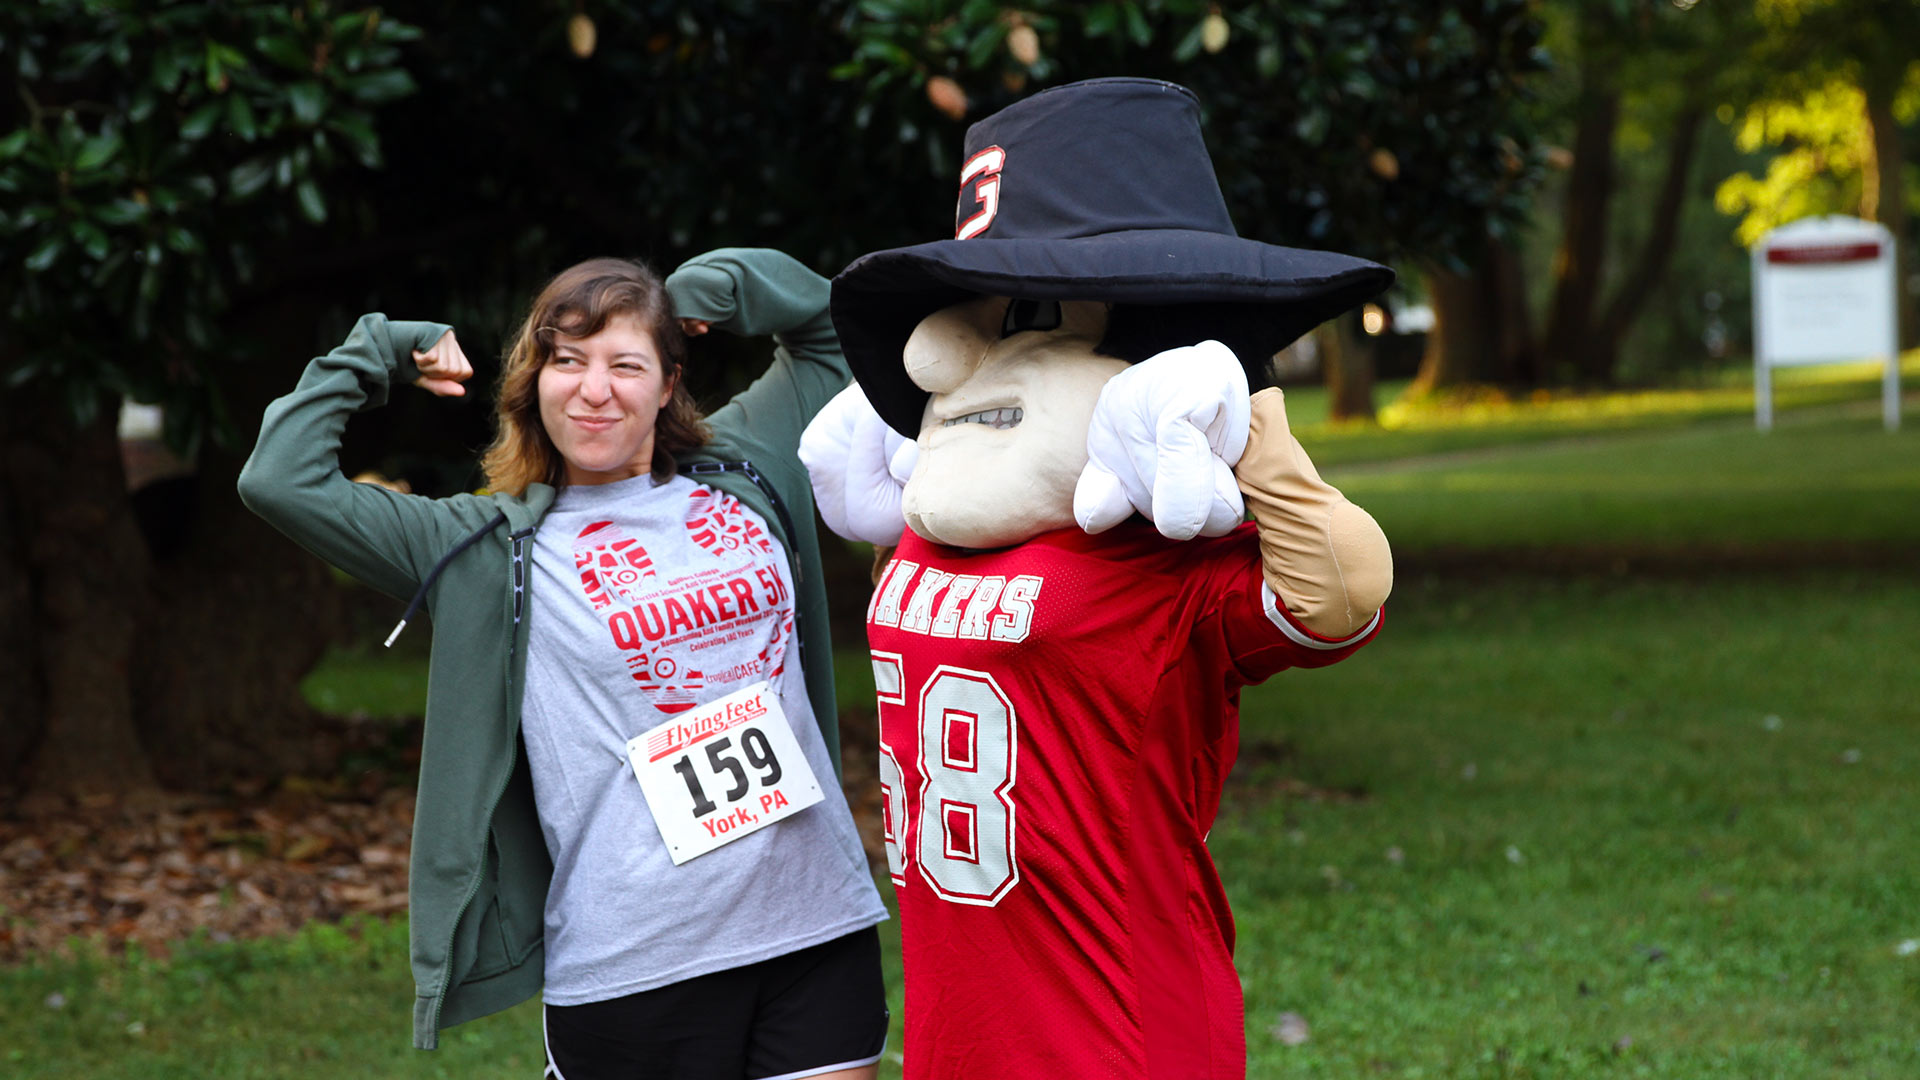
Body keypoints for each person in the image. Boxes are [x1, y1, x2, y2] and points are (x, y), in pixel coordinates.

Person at [800, 79, 1392, 1078]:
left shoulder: (1174, 560)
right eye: (991, 309)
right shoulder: (939, 513)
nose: (997, 349)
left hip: (1118, 1030)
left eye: (1046, 310)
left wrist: (1243, 401)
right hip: (961, 1020)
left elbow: (1337, 594)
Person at [239, 248, 889, 1080]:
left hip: (813, 922)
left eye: (627, 363)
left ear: (668, 382)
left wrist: (710, 286)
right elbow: (279, 479)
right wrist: (382, 350)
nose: (593, 388)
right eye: (567, 360)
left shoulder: (743, 466)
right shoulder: (483, 545)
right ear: (532, 382)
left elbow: (834, 333)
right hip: (639, 959)